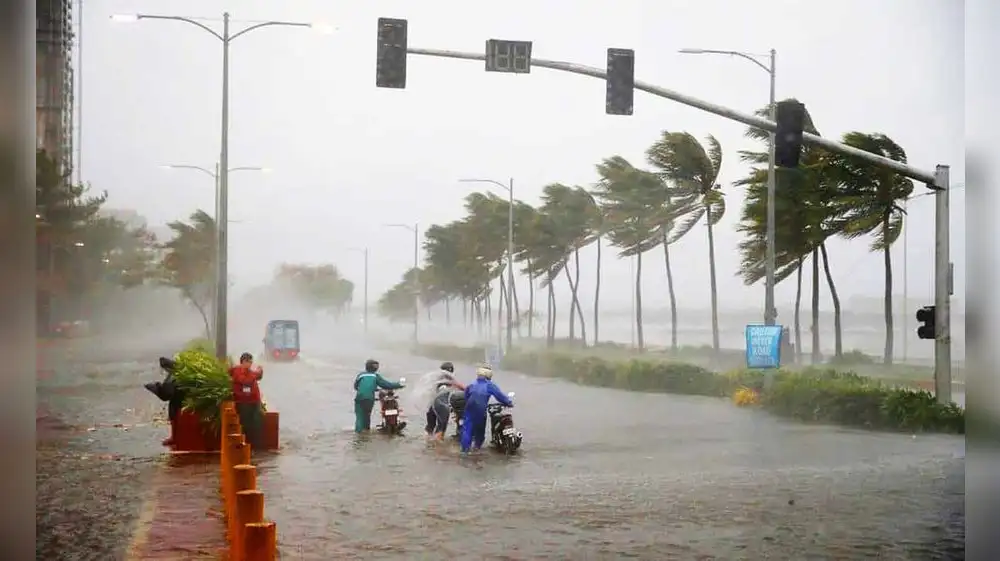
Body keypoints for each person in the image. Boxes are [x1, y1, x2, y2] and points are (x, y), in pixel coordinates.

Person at [460, 364, 513, 454]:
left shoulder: (472, 384)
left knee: (467, 429)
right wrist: (509, 403)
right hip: (480, 409)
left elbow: (466, 396)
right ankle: (477, 448)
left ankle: (465, 451)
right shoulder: (489, 385)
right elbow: (500, 396)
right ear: (489, 375)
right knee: (480, 430)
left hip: (469, 408)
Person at [353, 359, 405, 433]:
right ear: (376, 368)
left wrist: (372, 389)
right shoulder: (375, 376)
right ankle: (366, 431)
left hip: (359, 398)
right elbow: (386, 385)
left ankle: (358, 433)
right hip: (369, 399)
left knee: (359, 417)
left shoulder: (361, 375)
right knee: (367, 416)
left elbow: (356, 386)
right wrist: (399, 385)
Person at [229, 352, 265, 451]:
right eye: (248, 362)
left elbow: (258, 376)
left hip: (254, 402)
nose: (249, 364)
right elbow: (246, 381)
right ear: (243, 362)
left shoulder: (250, 372)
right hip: (243, 403)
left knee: (257, 424)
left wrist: (260, 371)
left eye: (251, 362)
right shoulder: (237, 371)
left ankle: (255, 447)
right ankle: (245, 446)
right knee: (245, 425)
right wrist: (256, 372)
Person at [424, 362, 465, 441]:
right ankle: (438, 448)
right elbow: (462, 387)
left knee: (430, 426)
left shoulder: (435, 379)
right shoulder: (449, 379)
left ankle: (427, 444)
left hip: (431, 405)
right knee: (441, 428)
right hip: (441, 406)